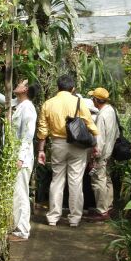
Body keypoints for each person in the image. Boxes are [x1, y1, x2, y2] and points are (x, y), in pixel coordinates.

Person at [37, 75, 98, 227]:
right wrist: (96, 144)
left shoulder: (48, 103)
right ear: (73, 89)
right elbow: (90, 124)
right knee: (75, 181)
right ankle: (74, 218)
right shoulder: (79, 102)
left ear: (57, 87)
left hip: (58, 144)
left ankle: (53, 217)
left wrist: (41, 150)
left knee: (57, 180)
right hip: (77, 145)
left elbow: (43, 130)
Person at [0, 80, 39, 241]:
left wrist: (20, 158)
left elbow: (27, 135)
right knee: (16, 192)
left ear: (25, 90)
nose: (18, 84)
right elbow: (5, 100)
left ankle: (23, 231)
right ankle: (16, 228)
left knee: (21, 193)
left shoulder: (28, 108)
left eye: (22, 83)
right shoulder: (19, 103)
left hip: (21, 158)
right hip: (14, 156)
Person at [86, 87, 119, 222]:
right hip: (109, 151)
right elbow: (116, 133)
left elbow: (99, 138)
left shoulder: (101, 116)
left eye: (93, 98)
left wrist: (94, 156)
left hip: (101, 153)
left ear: (96, 100)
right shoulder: (111, 111)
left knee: (98, 180)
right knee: (106, 179)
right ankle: (108, 206)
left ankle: (101, 211)